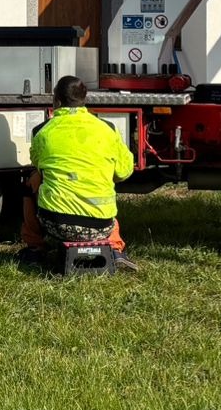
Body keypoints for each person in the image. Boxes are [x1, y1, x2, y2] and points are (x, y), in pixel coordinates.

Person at [22, 74, 139, 272]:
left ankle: (34, 249)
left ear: (56, 100)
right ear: (84, 100)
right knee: (103, 186)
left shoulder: (41, 131)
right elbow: (125, 171)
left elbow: (38, 164)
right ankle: (117, 250)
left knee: (32, 180)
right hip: (102, 227)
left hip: (55, 224)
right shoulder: (107, 129)